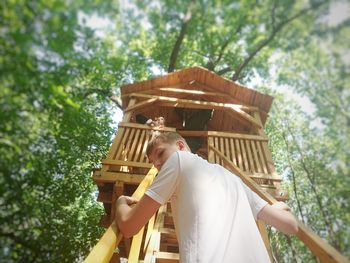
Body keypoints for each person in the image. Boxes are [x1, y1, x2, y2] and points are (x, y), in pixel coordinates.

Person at [116, 132, 298, 262]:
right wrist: (277, 208)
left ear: (180, 146)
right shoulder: (233, 179)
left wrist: (121, 202)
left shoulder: (179, 159)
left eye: (161, 153)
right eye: (153, 162)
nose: (156, 164)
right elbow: (290, 225)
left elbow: (129, 226)